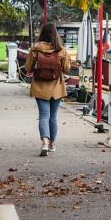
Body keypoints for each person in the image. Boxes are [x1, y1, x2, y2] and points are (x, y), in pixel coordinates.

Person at [25, 23, 71, 156]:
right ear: (55, 35)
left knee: (44, 116)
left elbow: (28, 68)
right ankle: (52, 144)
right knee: (53, 117)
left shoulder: (35, 49)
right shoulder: (61, 50)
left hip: (40, 87)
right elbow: (67, 68)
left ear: (42, 33)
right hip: (56, 87)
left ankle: (44, 142)